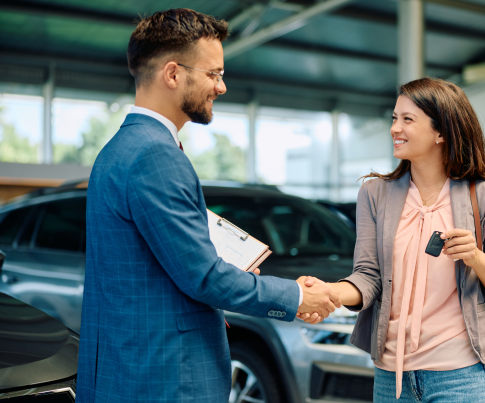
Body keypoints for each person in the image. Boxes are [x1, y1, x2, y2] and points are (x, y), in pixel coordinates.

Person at [76, 9, 339, 403]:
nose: (222, 87)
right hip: (165, 377)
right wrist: (297, 298)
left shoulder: (117, 149)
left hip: (128, 369)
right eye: (213, 74)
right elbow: (204, 278)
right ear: (173, 74)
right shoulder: (155, 156)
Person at [299, 77, 485, 402]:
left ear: (441, 132)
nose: (395, 128)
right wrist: (330, 292)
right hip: (391, 378)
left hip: (462, 375)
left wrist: (475, 257)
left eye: (408, 119)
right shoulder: (375, 194)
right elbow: (368, 276)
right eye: (394, 118)